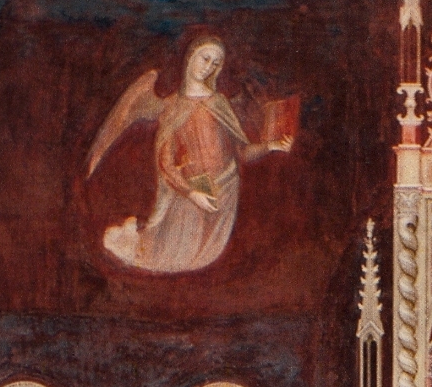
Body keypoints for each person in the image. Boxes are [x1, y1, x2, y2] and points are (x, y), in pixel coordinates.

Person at [87, 37, 293, 274]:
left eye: (216, 63)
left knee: (203, 258)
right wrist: (192, 193)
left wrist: (270, 145)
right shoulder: (173, 106)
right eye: (205, 59)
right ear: (190, 58)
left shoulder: (219, 103)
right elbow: (165, 162)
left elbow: (243, 153)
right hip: (189, 194)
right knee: (169, 258)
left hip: (224, 194)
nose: (209, 67)